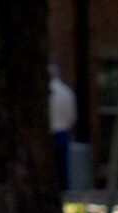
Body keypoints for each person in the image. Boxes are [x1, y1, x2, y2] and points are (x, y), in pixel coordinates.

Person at [49, 64, 77, 192]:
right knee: (63, 166)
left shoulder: (46, 93)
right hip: (63, 132)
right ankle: (64, 192)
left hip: (49, 133)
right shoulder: (67, 92)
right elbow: (72, 117)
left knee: (49, 167)